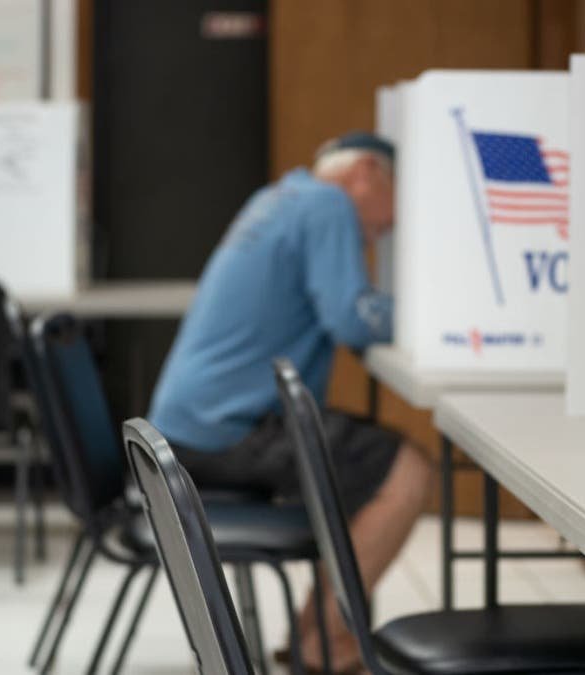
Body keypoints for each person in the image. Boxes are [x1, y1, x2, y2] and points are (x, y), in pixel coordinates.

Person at [148, 132, 432, 672]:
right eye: (397, 203)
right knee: (406, 471)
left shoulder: (278, 198)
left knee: (361, 466)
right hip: (226, 428)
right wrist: (437, 312)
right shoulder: (328, 205)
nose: (388, 228)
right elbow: (351, 319)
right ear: (367, 172)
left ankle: (316, 635)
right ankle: (329, 643)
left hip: (184, 428)